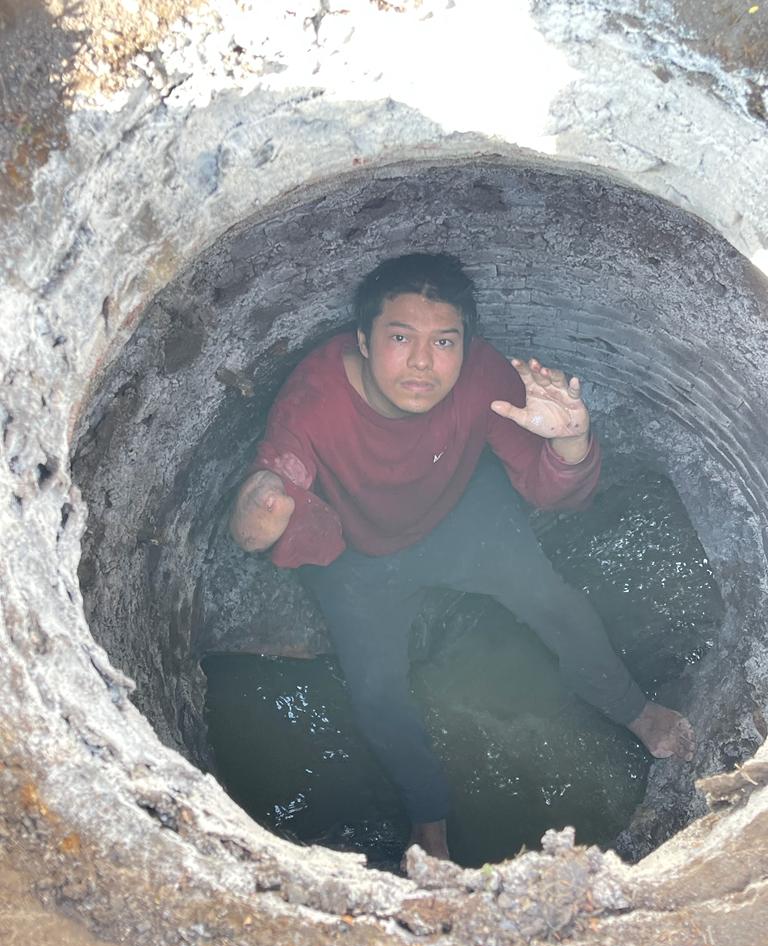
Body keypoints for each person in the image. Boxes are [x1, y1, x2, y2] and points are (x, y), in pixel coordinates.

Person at [230, 253, 695, 861]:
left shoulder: (481, 377)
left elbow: (556, 494)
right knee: (376, 691)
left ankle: (633, 710)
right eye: (401, 338)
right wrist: (261, 513)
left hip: (460, 517)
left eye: (444, 342)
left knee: (552, 600)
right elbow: (259, 514)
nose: (423, 362)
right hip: (362, 554)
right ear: (364, 341)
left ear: (465, 346)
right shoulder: (313, 399)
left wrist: (571, 442)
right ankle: (428, 816)